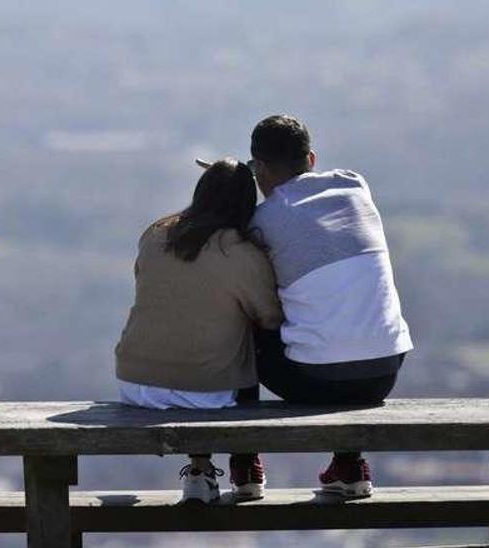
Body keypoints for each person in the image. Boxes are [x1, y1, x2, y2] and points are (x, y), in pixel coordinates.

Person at [246, 114, 414, 498]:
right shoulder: (355, 187)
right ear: (311, 159)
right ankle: (349, 464)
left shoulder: (263, 221)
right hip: (384, 372)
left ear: (260, 169)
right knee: (339, 312)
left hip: (314, 381)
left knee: (242, 313)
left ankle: (243, 467)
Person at [115, 158, 283, 504]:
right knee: (247, 345)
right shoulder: (242, 253)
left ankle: (200, 470)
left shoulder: (155, 235)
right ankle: (245, 465)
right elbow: (270, 318)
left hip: (136, 383)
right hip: (208, 392)